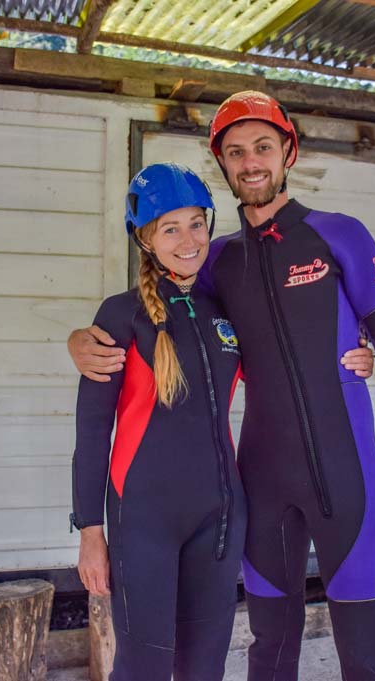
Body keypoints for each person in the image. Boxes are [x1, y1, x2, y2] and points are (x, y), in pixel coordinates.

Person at [69, 91, 375, 681]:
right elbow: (161, 309)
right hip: (260, 488)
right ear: (223, 164)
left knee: (366, 655)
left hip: (347, 476)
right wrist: (79, 340)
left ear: (288, 151)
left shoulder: (340, 236)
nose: (251, 162)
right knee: (267, 652)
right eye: (236, 152)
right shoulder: (216, 262)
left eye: (262, 146)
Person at [70, 163, 247, 681]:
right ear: (145, 239)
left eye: (196, 224)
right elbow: (91, 431)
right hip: (144, 521)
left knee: (205, 668)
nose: (188, 241)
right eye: (170, 229)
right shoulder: (120, 315)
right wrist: (90, 531)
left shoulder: (225, 310)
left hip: (221, 517)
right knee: (143, 668)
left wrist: (354, 349)